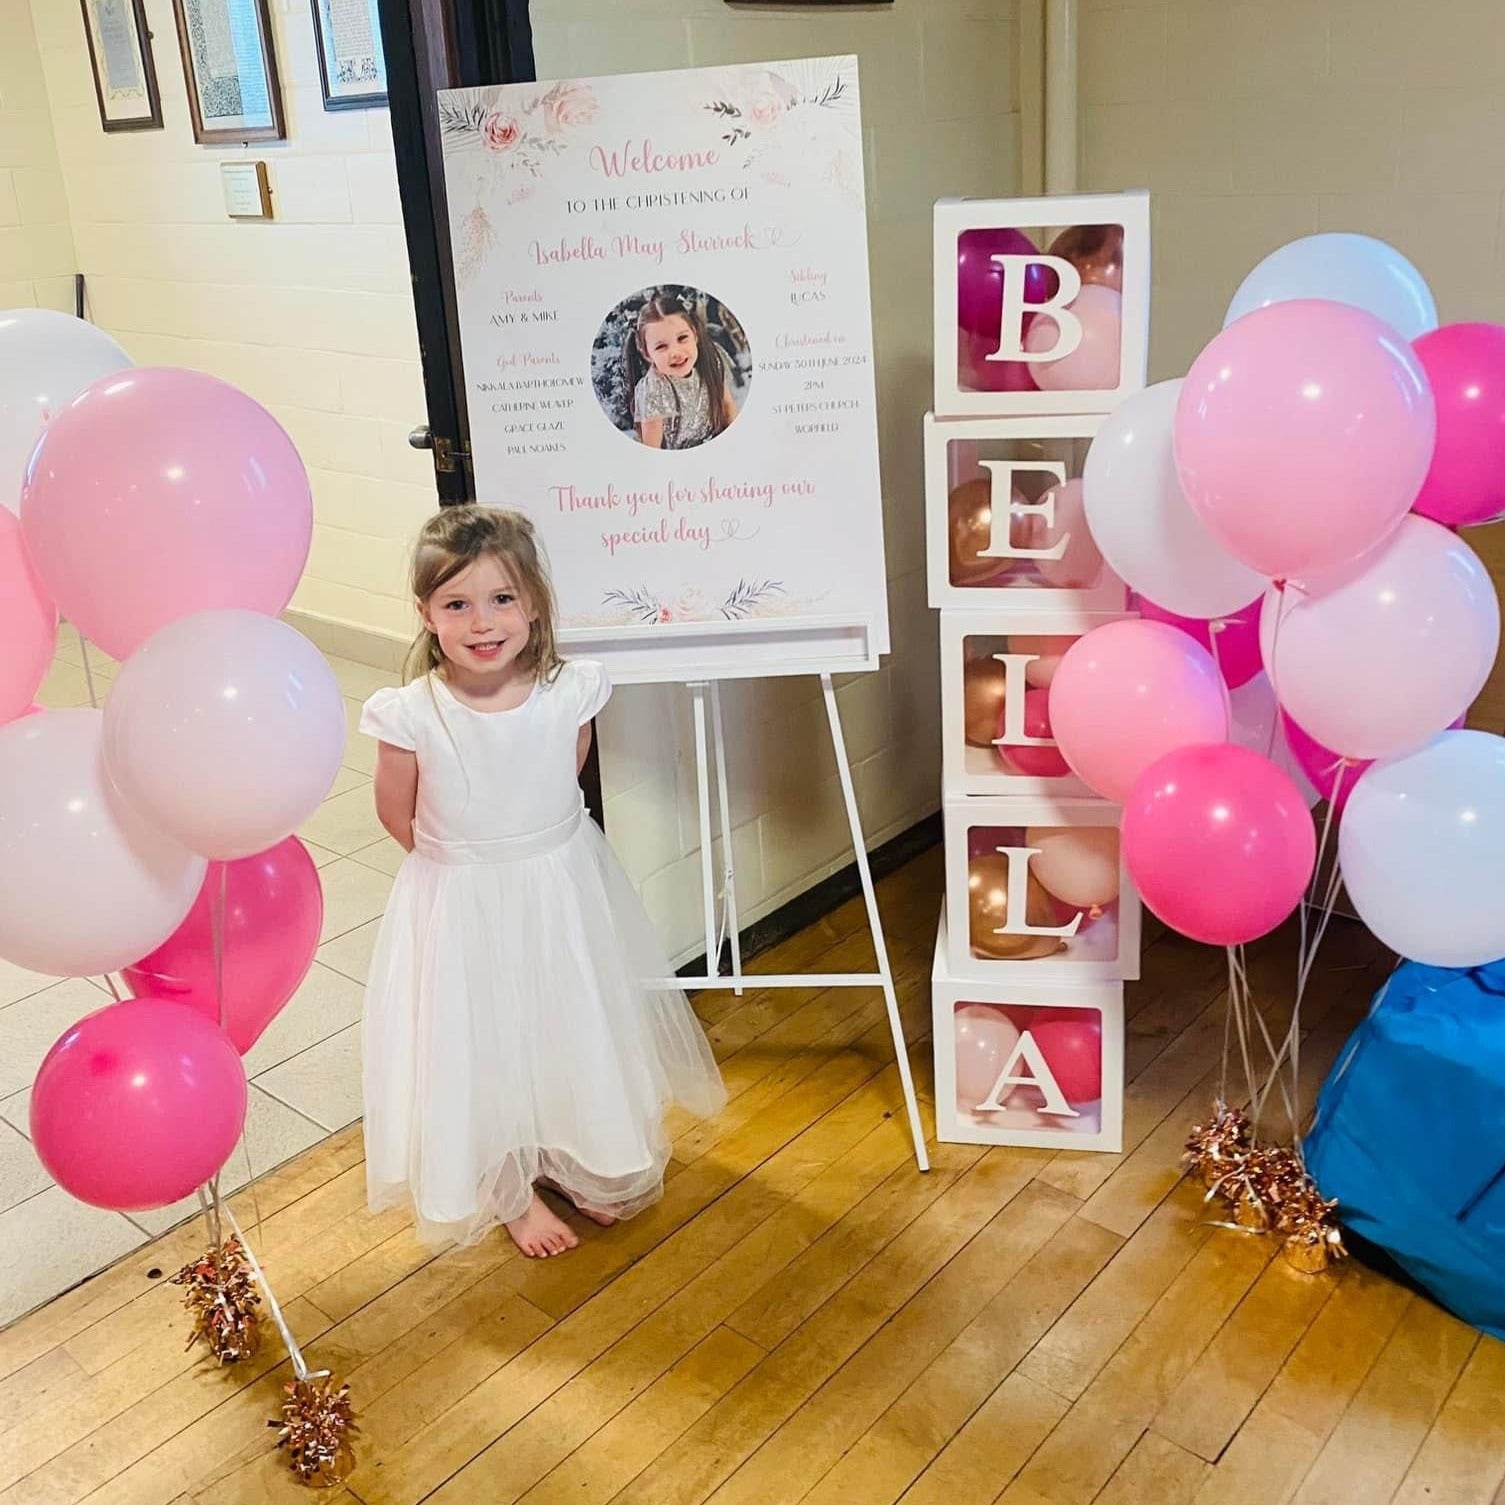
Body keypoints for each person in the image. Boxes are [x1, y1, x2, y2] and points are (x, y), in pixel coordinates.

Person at [359, 505, 724, 1257]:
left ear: (533, 602)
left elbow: (568, 774)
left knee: (564, 1018)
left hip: (558, 888)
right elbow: (397, 814)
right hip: (462, 898)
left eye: (501, 598)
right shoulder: (411, 714)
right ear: (425, 613)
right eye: (456, 604)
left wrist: (529, 858)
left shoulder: (569, 690)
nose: (482, 621)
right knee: (478, 1036)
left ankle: (564, 1146)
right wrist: (469, 865)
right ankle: (505, 1184)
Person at [626, 291, 739, 449]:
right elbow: (652, 449)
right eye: (661, 346)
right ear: (647, 354)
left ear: (695, 334)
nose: (675, 353)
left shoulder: (711, 361)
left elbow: (728, 409)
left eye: (682, 338)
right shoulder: (653, 389)